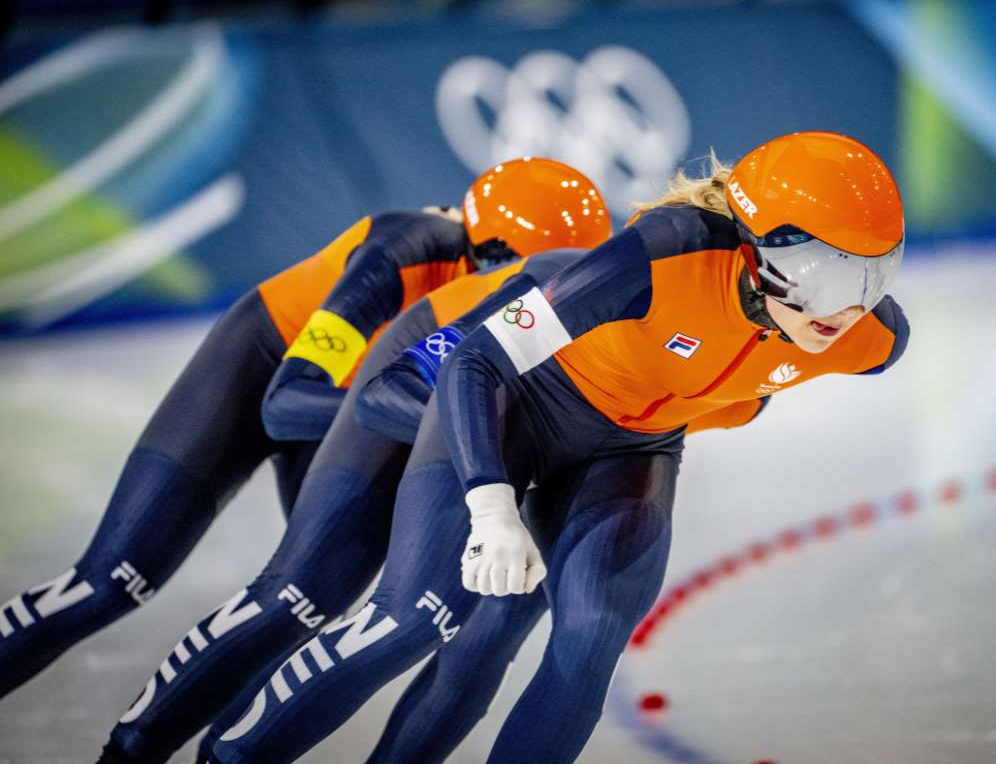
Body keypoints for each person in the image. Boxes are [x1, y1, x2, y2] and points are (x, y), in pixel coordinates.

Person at [201, 131, 910, 764]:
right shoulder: (662, 256)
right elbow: (476, 363)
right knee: (414, 617)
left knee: (590, 636)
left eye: (875, 275)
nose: (848, 310)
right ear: (755, 251)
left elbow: (718, 382)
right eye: (826, 275)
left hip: (632, 446)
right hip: (524, 407)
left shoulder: (870, 339)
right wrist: (491, 508)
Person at [0, 157, 608, 701]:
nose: (526, 294)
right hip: (260, 373)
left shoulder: (496, 277)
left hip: (344, 399)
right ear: (489, 248)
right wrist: (453, 420)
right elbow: (284, 403)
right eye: (519, 272)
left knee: (304, 601)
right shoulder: (410, 245)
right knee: (114, 581)